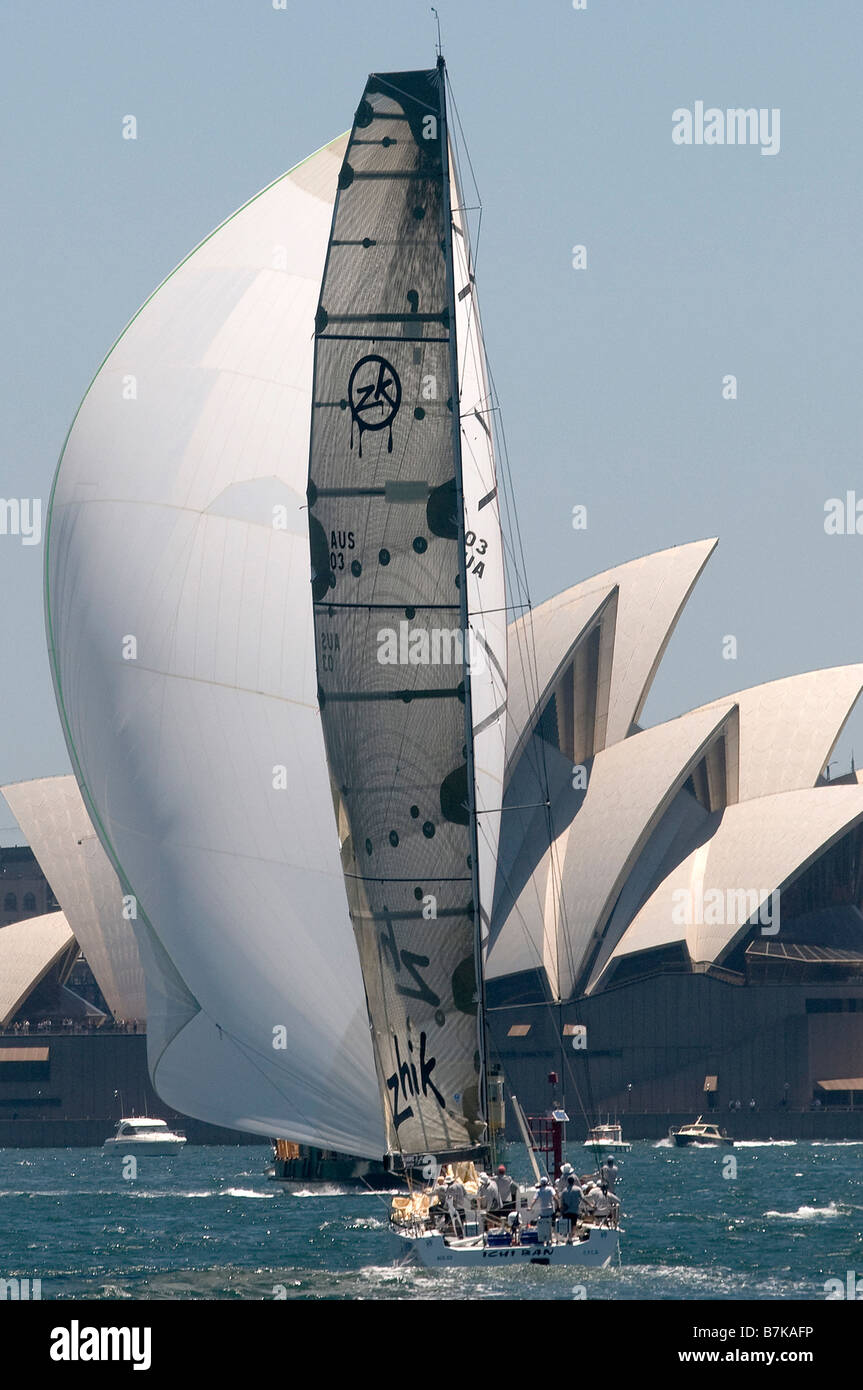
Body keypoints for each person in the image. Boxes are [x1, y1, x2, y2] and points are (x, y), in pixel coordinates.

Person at [530, 1175, 557, 1243]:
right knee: (552, 1224)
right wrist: (559, 1205)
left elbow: (534, 1199)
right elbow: (555, 1197)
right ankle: (552, 1238)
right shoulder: (550, 1189)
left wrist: (530, 1207)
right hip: (551, 1210)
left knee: (545, 1225)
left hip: (543, 1211)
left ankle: (546, 1239)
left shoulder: (538, 1191)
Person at [559, 1174, 582, 1242]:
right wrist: (590, 1205)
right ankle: (571, 1237)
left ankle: (567, 1237)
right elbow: (583, 1198)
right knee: (573, 1224)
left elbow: (561, 1202)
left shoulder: (564, 1191)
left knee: (567, 1224)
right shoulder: (578, 1189)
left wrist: (561, 1210)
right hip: (574, 1210)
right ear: (574, 1181)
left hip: (566, 1211)